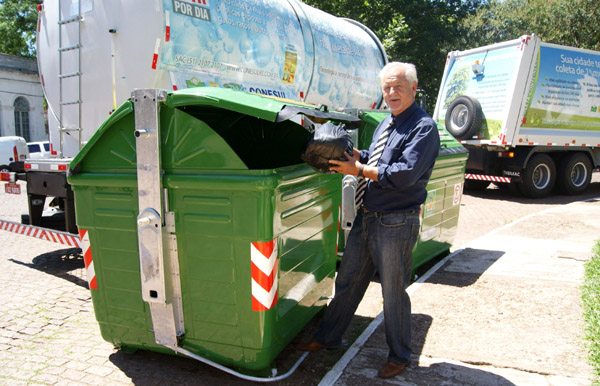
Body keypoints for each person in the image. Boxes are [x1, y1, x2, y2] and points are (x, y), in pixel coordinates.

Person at [297, 62, 440, 378]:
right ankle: (328, 338)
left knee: (393, 292)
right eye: (387, 88)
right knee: (347, 280)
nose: (391, 93)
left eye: (398, 87)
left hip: (396, 221)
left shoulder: (423, 128)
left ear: (413, 89)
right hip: (368, 216)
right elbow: (379, 159)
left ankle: (400, 356)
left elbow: (404, 175)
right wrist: (356, 157)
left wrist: (358, 171)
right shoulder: (386, 123)